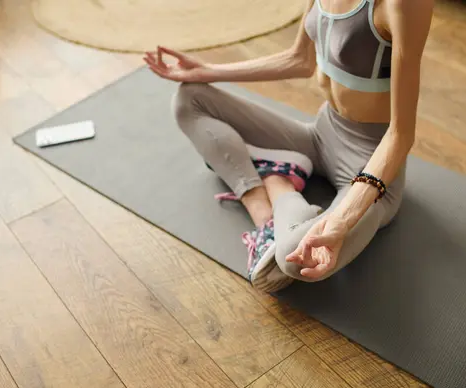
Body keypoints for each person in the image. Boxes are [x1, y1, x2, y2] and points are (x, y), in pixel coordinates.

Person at [144, 0, 434, 292]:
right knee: (189, 99)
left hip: (371, 164)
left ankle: (278, 182)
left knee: (293, 259)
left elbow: (400, 135)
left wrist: (342, 221)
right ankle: (263, 209)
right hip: (322, 135)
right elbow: (299, 60)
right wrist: (206, 71)